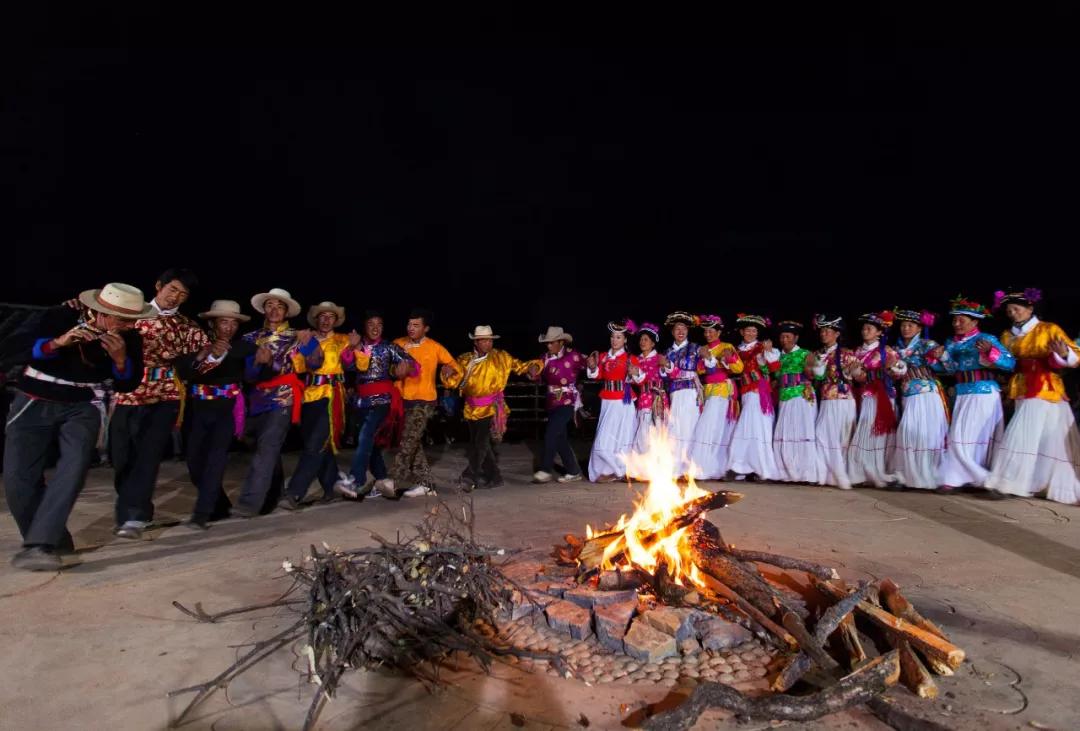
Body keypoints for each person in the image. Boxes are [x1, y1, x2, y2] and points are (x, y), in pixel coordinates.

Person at [2, 283, 148, 570]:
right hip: (34, 400)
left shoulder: (130, 339)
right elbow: (15, 350)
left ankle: (39, 546)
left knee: (73, 468)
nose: (128, 326)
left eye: (132, 320)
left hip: (84, 404)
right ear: (100, 311)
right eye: (121, 319)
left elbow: (128, 383)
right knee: (18, 480)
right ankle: (57, 544)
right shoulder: (59, 316)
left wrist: (120, 361)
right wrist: (57, 344)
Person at [112, 268, 208, 539]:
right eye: (173, 289)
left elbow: (203, 359)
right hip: (128, 394)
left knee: (148, 456)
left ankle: (134, 516)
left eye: (183, 294)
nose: (176, 297)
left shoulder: (188, 327)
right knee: (121, 457)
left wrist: (205, 356)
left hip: (165, 396)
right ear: (158, 286)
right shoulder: (132, 315)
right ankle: (131, 507)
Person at [985, 288, 1080, 504]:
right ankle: (1034, 482)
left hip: (1046, 387)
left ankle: (1008, 482)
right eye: (1009, 311)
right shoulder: (1008, 336)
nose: (1013, 313)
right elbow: (1007, 363)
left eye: (1016, 309)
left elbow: (1075, 355)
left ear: (1030, 308)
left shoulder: (1048, 329)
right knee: (1042, 437)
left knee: (1027, 434)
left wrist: (1064, 354)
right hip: (1021, 387)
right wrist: (992, 355)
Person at [174, 300, 255, 528]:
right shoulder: (197, 345)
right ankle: (219, 506)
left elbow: (260, 371)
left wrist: (265, 362)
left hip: (226, 408)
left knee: (215, 460)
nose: (228, 327)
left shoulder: (243, 347)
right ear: (212, 323)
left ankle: (202, 513)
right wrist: (203, 355)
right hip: (197, 407)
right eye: (223, 322)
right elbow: (182, 369)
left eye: (233, 323)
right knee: (194, 461)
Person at [929, 296, 1015, 492]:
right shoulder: (951, 343)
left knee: (966, 435)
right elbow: (951, 369)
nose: (956, 324)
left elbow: (1010, 363)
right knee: (963, 435)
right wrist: (941, 356)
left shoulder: (986, 339)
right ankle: (967, 477)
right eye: (954, 320)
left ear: (975, 321)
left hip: (983, 392)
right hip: (962, 393)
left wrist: (991, 352)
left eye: (961, 320)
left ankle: (974, 477)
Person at [441, 325, 541, 491]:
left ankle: (468, 476)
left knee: (479, 443)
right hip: (471, 408)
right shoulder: (465, 360)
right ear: (476, 342)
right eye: (484, 340)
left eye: (490, 340)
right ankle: (495, 477)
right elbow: (454, 382)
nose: (488, 343)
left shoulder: (501, 357)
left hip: (491, 408)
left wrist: (533, 367)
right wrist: (447, 373)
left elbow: (520, 366)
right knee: (481, 444)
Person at [233, 288, 305, 517]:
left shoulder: (297, 336)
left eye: (280, 306)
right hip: (255, 399)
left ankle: (248, 504)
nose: (274, 310)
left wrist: (308, 345)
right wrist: (257, 364)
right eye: (270, 305)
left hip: (283, 398)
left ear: (287, 312)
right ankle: (278, 495)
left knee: (267, 447)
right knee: (263, 448)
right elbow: (247, 375)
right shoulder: (249, 338)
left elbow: (316, 362)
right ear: (264, 309)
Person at [335, 311, 416, 499]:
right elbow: (347, 366)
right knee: (370, 443)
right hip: (361, 401)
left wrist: (405, 368)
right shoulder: (356, 345)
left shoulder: (389, 347)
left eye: (379, 324)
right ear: (365, 326)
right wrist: (352, 348)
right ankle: (383, 481)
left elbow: (413, 365)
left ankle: (356, 481)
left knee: (366, 436)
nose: (375, 327)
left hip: (383, 400)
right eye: (371, 323)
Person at [281, 301, 354, 508]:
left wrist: (355, 347)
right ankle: (331, 487)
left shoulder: (343, 340)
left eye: (330, 317)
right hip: (309, 396)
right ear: (316, 319)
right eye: (322, 316)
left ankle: (295, 492)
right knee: (319, 445)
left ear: (336, 320)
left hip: (331, 397)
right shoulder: (307, 338)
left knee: (315, 444)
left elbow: (352, 364)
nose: (326, 320)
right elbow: (299, 366)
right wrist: (302, 346)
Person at [391, 308, 462, 497]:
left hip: (424, 401)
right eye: (409, 324)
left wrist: (449, 372)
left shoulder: (435, 347)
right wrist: (394, 371)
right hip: (401, 399)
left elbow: (456, 367)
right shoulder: (398, 344)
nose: (411, 328)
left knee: (408, 441)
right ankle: (426, 483)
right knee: (413, 440)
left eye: (416, 325)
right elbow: (386, 366)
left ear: (426, 328)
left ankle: (393, 481)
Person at [846, 311, 906, 488]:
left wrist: (892, 368)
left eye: (869, 328)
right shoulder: (856, 352)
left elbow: (899, 372)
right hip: (863, 396)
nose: (865, 331)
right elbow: (854, 376)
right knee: (865, 432)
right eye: (864, 328)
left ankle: (878, 473)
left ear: (879, 332)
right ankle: (863, 473)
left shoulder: (886, 351)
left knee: (879, 435)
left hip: (882, 397)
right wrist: (856, 372)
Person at [891, 309, 948, 491]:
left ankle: (928, 476)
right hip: (907, 395)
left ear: (919, 328)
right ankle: (907, 476)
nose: (906, 328)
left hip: (926, 396)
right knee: (908, 434)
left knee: (925, 435)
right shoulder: (895, 349)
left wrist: (939, 357)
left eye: (910, 325)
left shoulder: (927, 345)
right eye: (903, 325)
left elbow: (946, 368)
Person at [688, 315, 743, 481]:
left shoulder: (727, 346)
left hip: (722, 391)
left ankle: (707, 468)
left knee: (714, 428)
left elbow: (738, 368)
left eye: (712, 330)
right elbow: (701, 370)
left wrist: (727, 358)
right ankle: (707, 467)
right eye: (706, 331)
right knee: (710, 427)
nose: (708, 334)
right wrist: (708, 359)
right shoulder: (702, 349)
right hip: (708, 391)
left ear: (719, 332)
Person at [727, 314, 781, 481]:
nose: (750, 333)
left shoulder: (762, 348)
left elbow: (774, 368)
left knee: (757, 428)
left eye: (754, 330)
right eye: (747, 330)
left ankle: (760, 468)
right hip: (744, 392)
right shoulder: (736, 350)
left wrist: (769, 352)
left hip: (759, 393)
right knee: (746, 427)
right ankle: (742, 467)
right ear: (742, 332)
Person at [585, 319, 639, 483]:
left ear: (625, 340)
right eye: (613, 337)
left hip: (624, 401)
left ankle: (620, 470)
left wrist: (633, 373)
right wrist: (593, 367)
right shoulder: (602, 357)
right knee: (604, 436)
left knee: (622, 435)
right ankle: (608, 470)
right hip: (608, 400)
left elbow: (636, 379)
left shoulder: (631, 358)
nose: (614, 340)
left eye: (618, 337)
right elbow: (596, 375)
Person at [808, 314, 858, 489]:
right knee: (822, 435)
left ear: (837, 334)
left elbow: (858, 376)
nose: (823, 334)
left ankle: (841, 475)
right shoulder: (816, 354)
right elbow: (810, 374)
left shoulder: (847, 354)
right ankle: (823, 474)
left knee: (841, 438)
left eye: (827, 331)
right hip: (826, 399)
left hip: (843, 400)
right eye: (822, 331)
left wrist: (851, 372)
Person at [532, 326, 586, 483]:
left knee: (550, 433)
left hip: (568, 401)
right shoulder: (545, 358)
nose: (548, 345)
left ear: (561, 342)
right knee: (560, 437)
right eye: (547, 343)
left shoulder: (573, 356)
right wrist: (532, 372)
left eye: (552, 342)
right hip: (551, 402)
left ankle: (545, 469)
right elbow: (536, 375)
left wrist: (592, 362)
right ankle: (574, 471)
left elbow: (590, 366)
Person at [772, 321, 823, 483]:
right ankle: (785, 473)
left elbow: (818, 375)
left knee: (802, 431)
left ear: (796, 337)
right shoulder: (778, 355)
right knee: (786, 431)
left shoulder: (805, 354)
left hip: (801, 396)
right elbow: (774, 376)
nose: (784, 339)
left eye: (788, 336)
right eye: (782, 336)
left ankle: (806, 473)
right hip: (784, 397)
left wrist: (812, 368)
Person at [659, 311, 703, 478]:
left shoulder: (695, 348)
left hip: (691, 392)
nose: (681, 331)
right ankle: (675, 468)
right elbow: (663, 375)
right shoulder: (667, 351)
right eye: (677, 328)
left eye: (684, 328)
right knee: (675, 427)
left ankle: (691, 468)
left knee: (690, 426)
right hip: (675, 394)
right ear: (672, 332)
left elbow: (706, 367)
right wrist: (664, 367)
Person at [628, 323, 667, 466]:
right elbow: (634, 381)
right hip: (643, 399)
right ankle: (641, 468)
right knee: (643, 432)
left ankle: (658, 466)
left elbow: (667, 375)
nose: (642, 342)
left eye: (645, 339)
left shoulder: (659, 358)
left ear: (653, 342)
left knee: (657, 432)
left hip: (657, 399)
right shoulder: (636, 360)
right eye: (641, 340)